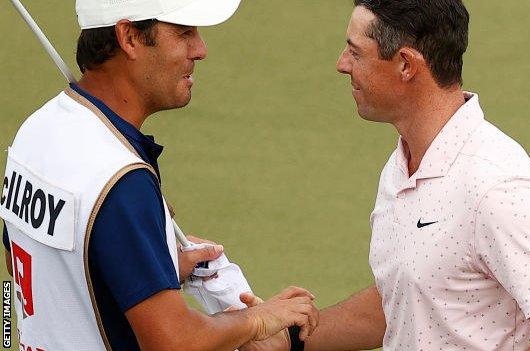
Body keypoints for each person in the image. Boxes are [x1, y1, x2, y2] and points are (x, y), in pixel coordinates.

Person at [242, 0, 530, 350]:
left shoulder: (497, 186)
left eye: (355, 52)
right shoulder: (405, 162)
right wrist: (290, 340)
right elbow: (410, 297)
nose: (341, 64)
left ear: (406, 64)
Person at [0, 0, 318, 350]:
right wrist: (256, 320)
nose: (200, 50)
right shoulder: (121, 180)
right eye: (184, 33)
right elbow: (173, 343)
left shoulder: (37, 129)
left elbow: (24, 262)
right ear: (129, 37)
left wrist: (143, 269)